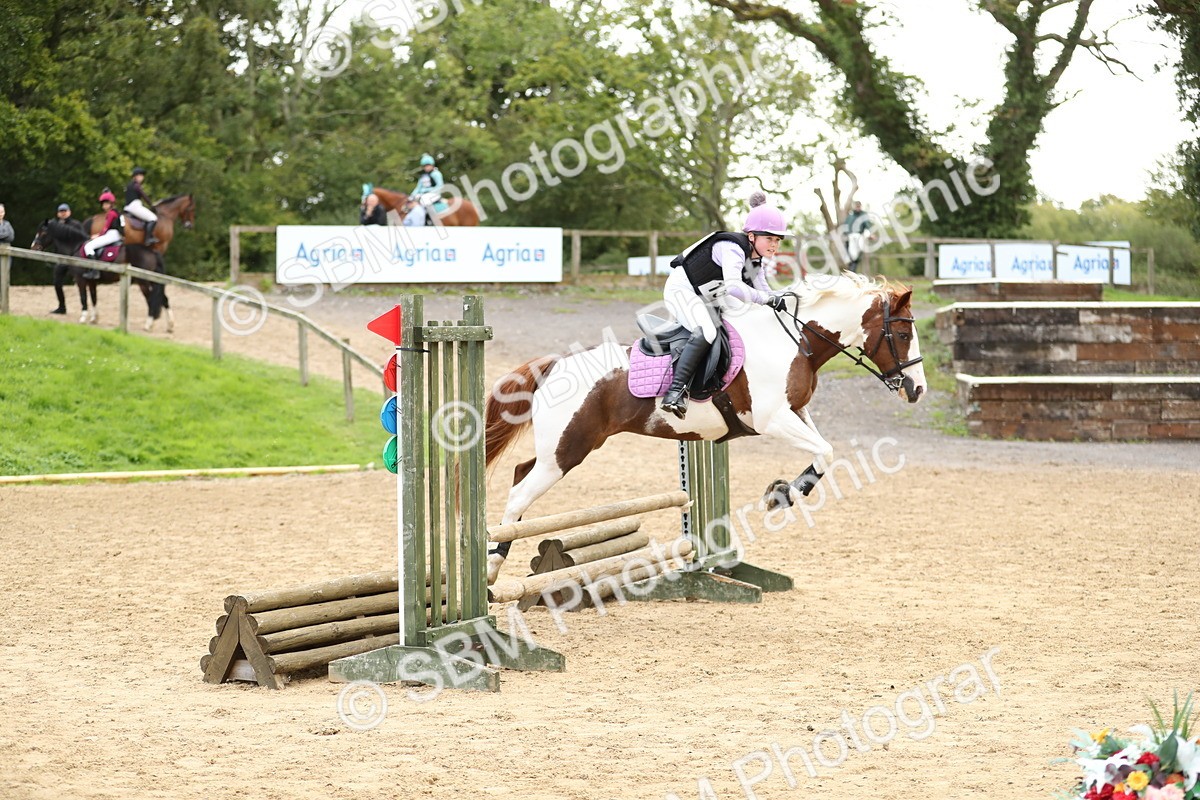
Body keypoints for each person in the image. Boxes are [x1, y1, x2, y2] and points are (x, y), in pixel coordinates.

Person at [660, 191, 790, 418]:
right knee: (707, 331)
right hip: (682, 291)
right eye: (769, 238)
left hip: (709, 295)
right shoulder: (732, 248)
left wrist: (783, 298)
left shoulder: (755, 258)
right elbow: (733, 287)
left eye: (777, 240)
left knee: (747, 317)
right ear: (751, 236)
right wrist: (767, 299)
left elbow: (764, 292)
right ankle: (676, 391)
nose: (774, 244)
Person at [403, 153, 446, 227]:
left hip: (434, 194)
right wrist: (412, 196)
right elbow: (418, 187)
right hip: (423, 194)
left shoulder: (436, 174)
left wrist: (427, 191)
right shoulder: (423, 176)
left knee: (424, 200)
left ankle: (429, 220)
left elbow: (440, 186)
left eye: (428, 165)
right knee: (412, 202)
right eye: (425, 166)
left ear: (432, 165)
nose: (427, 167)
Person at [83, 189, 123, 258]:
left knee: (88, 246)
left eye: (106, 204)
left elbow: (106, 228)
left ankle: (94, 267)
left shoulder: (111, 213)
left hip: (111, 234)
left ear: (111, 204)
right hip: (116, 234)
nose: (104, 206)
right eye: (103, 204)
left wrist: (98, 235)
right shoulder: (116, 212)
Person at [124, 167, 159, 245]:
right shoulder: (136, 185)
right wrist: (152, 205)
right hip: (135, 206)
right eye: (141, 176)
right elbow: (144, 196)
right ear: (136, 176)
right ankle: (148, 239)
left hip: (128, 206)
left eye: (142, 176)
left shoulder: (129, 185)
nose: (142, 178)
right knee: (153, 218)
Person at [50, 203, 74, 314]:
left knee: (83, 282)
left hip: (74, 257)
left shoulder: (75, 225)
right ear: (58, 213)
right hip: (61, 258)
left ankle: (85, 308)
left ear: (69, 212)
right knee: (57, 282)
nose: (63, 213)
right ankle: (62, 306)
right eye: (61, 211)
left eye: (65, 211)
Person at [843, 200, 872, 271]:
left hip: (859, 237)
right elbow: (846, 226)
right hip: (850, 238)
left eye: (859, 206)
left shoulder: (863, 215)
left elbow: (867, 226)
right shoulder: (850, 216)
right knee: (850, 255)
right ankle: (850, 268)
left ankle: (852, 270)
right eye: (857, 206)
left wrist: (869, 234)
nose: (858, 208)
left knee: (857, 255)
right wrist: (846, 234)